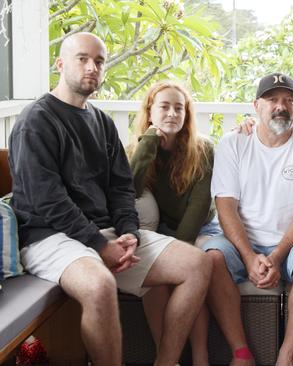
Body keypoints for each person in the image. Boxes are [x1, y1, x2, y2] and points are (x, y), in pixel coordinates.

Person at [8, 32, 211, 366]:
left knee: (198, 264)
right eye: (82, 59)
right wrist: (100, 245)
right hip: (49, 236)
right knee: (100, 285)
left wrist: (128, 231)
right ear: (60, 64)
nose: (92, 67)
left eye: (99, 61)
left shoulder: (101, 121)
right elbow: (47, 200)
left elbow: (120, 187)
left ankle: (166, 362)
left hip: (103, 232)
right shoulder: (36, 121)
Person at [204, 72, 293, 366]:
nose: (281, 106)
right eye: (272, 99)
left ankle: (286, 356)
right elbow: (225, 207)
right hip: (241, 242)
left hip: (292, 242)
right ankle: (241, 353)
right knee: (210, 259)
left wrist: (275, 257)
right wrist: (249, 257)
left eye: (289, 100)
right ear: (256, 106)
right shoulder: (233, 143)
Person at [127, 80, 216, 366]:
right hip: (164, 227)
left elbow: (200, 205)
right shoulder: (140, 147)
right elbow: (130, 189)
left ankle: (201, 355)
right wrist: (150, 142)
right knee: (155, 277)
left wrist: (180, 248)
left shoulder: (202, 149)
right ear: (150, 112)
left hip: (201, 227)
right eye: (164, 107)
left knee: (193, 270)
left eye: (179, 108)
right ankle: (166, 357)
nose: (172, 114)